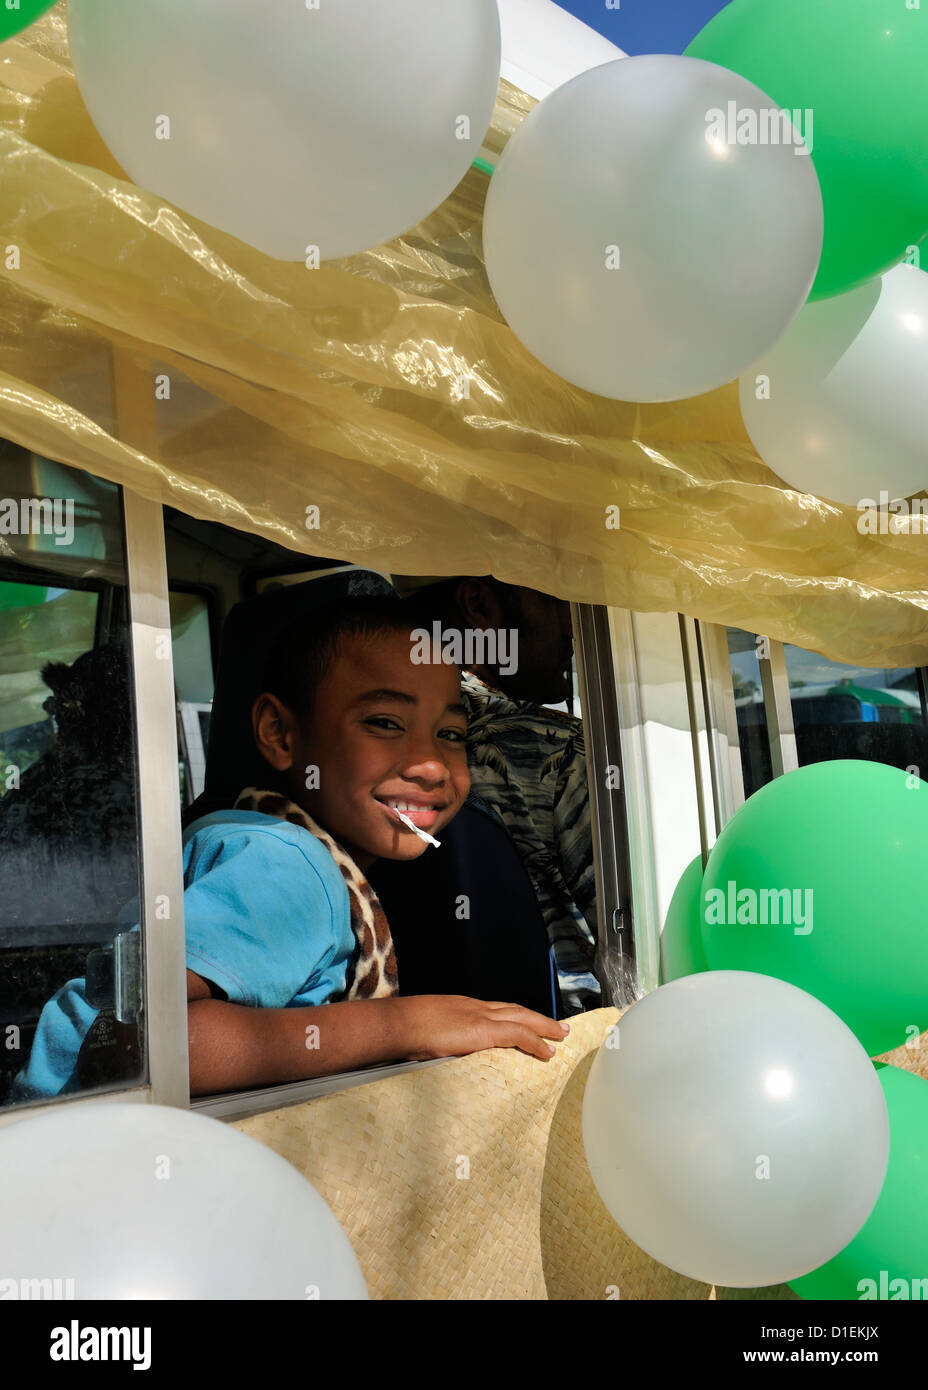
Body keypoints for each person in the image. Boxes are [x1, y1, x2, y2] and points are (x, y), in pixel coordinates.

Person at [11, 598, 567, 1101]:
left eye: (450, 734)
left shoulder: (260, 835)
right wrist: (407, 1026)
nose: (429, 763)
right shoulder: (287, 866)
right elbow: (144, 1043)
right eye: (384, 723)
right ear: (279, 733)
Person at [393, 575, 601, 1014]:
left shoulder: (354, 762)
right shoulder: (560, 752)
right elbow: (647, 950)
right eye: (555, 597)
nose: (570, 624)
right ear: (478, 604)